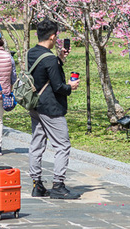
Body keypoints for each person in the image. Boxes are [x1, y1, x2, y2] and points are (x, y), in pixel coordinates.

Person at [27, 19, 81, 200]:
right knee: (62, 145)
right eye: (56, 36)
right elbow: (58, 86)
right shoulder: (49, 58)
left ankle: (37, 185)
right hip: (50, 107)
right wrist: (70, 86)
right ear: (52, 36)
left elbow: (43, 74)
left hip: (35, 105)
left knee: (37, 144)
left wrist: (60, 59)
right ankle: (58, 185)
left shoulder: (32, 53)